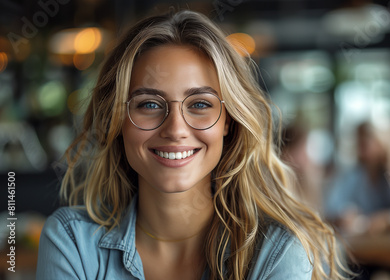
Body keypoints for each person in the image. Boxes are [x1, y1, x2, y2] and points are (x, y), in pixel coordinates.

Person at [36, 10, 347, 280]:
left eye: (199, 104)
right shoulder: (71, 241)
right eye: (149, 104)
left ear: (229, 120)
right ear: (118, 119)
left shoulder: (276, 251)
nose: (175, 130)